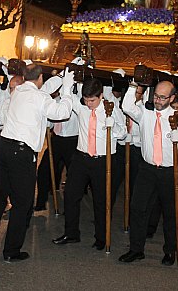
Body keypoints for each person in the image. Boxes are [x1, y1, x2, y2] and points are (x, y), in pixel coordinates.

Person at [0, 64, 74, 263]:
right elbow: (62, 112)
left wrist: (62, 76)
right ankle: (11, 251)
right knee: (22, 203)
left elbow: (43, 89)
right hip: (21, 153)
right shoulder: (40, 97)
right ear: (39, 79)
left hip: (3, 147)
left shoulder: (19, 91)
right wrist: (68, 88)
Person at [119, 81, 178, 266]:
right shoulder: (146, 114)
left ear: (171, 98)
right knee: (138, 208)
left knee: (171, 213)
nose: (158, 100)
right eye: (156, 96)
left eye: (162, 97)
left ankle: (171, 250)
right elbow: (127, 106)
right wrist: (133, 86)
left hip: (173, 171)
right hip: (148, 169)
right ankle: (136, 249)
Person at [52, 78, 126, 251]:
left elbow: (122, 134)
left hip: (103, 160)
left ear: (101, 96)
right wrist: (68, 81)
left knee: (101, 200)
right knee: (70, 194)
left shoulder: (111, 109)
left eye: (92, 100)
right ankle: (71, 233)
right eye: (86, 100)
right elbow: (67, 97)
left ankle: (101, 237)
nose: (89, 104)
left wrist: (113, 127)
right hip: (81, 158)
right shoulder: (82, 107)